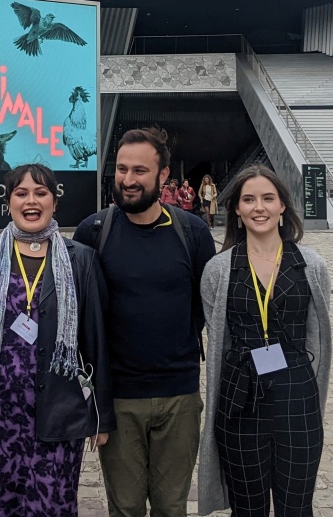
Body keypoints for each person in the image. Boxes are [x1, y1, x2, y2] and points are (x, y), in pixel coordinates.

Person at [0, 164, 114, 516]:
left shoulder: (81, 260)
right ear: (8, 202)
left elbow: (95, 343)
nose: (31, 201)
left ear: (54, 202)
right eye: (21, 193)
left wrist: (101, 416)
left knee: (53, 507)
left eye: (41, 193)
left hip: (59, 419)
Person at [73, 128, 216, 517]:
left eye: (140, 170)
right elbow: (77, 313)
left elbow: (208, 306)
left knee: (172, 508)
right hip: (118, 398)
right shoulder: (93, 233)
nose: (128, 179)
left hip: (179, 395)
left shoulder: (193, 232)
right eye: (121, 169)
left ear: (164, 175)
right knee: (126, 508)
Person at [197, 165, 332, 517]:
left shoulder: (311, 265)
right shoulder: (219, 269)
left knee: (296, 507)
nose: (260, 207)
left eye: (268, 198)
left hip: (297, 397)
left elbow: (317, 337)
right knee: (247, 509)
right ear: (238, 211)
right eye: (249, 199)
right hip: (241, 399)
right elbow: (218, 340)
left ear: (282, 206)